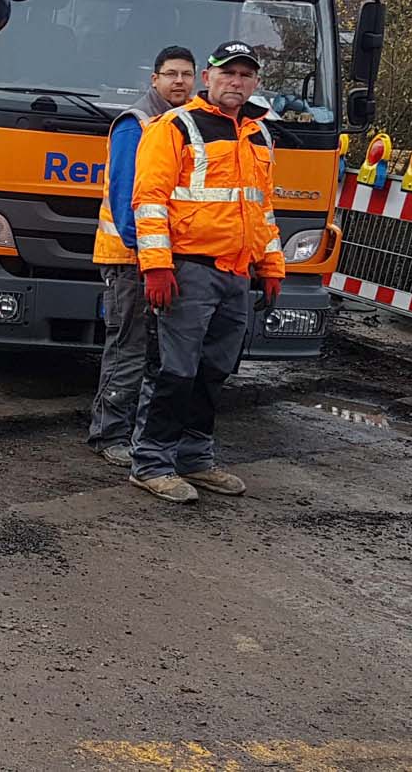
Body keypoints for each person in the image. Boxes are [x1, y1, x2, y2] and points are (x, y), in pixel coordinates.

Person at [126, 40, 284, 504]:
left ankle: (195, 458)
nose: (236, 82)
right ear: (207, 78)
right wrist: (156, 266)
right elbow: (149, 200)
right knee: (174, 371)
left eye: (245, 75)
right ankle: (151, 462)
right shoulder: (173, 127)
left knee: (214, 371)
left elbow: (263, 210)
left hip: (235, 275)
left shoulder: (258, 134)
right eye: (227, 73)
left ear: (255, 82)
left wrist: (271, 265)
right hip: (188, 272)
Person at [86, 46, 196, 467]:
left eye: (186, 74)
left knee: (151, 352)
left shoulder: (181, 124)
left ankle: (133, 432)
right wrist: (151, 254)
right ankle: (109, 434)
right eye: (171, 74)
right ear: (155, 80)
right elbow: (126, 200)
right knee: (128, 347)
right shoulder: (138, 124)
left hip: (159, 258)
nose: (180, 82)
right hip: (130, 257)